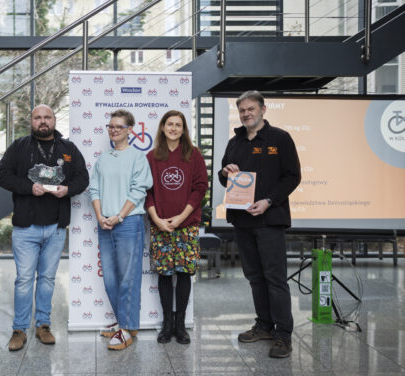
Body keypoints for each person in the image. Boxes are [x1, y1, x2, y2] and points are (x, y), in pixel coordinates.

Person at [0, 104, 89, 351]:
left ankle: (43, 325)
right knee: (24, 280)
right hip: (26, 228)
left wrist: (67, 190)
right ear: (32, 121)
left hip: (56, 227)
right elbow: (1, 176)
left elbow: (83, 178)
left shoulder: (68, 149)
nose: (43, 121)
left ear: (54, 120)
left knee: (47, 279)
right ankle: (19, 329)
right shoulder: (19, 147)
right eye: (38, 117)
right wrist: (29, 187)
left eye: (47, 117)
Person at [218, 90, 301, 358]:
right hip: (242, 220)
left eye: (251, 109)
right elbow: (224, 177)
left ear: (263, 109)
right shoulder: (235, 142)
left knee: (275, 279)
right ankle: (264, 326)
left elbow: (293, 177)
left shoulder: (280, 138)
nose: (246, 114)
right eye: (242, 110)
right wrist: (224, 172)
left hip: (270, 219)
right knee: (254, 277)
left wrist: (268, 201)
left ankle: (283, 335)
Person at [90, 109, 153, 350]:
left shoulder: (138, 157)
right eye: (111, 126)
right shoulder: (103, 158)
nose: (113, 130)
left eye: (119, 126)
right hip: (105, 223)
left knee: (128, 277)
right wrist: (100, 216)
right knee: (110, 278)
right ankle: (125, 323)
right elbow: (94, 189)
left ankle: (126, 330)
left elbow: (139, 191)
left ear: (129, 130)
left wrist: (119, 216)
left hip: (128, 223)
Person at [145, 110, 208, 345]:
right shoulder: (152, 157)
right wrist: (156, 219)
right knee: (164, 274)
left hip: (186, 225)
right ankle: (167, 325)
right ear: (162, 127)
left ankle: (180, 325)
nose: (173, 128)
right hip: (160, 225)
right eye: (169, 124)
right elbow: (146, 191)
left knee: (183, 273)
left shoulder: (194, 155)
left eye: (178, 125)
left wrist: (182, 217)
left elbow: (200, 188)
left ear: (183, 130)